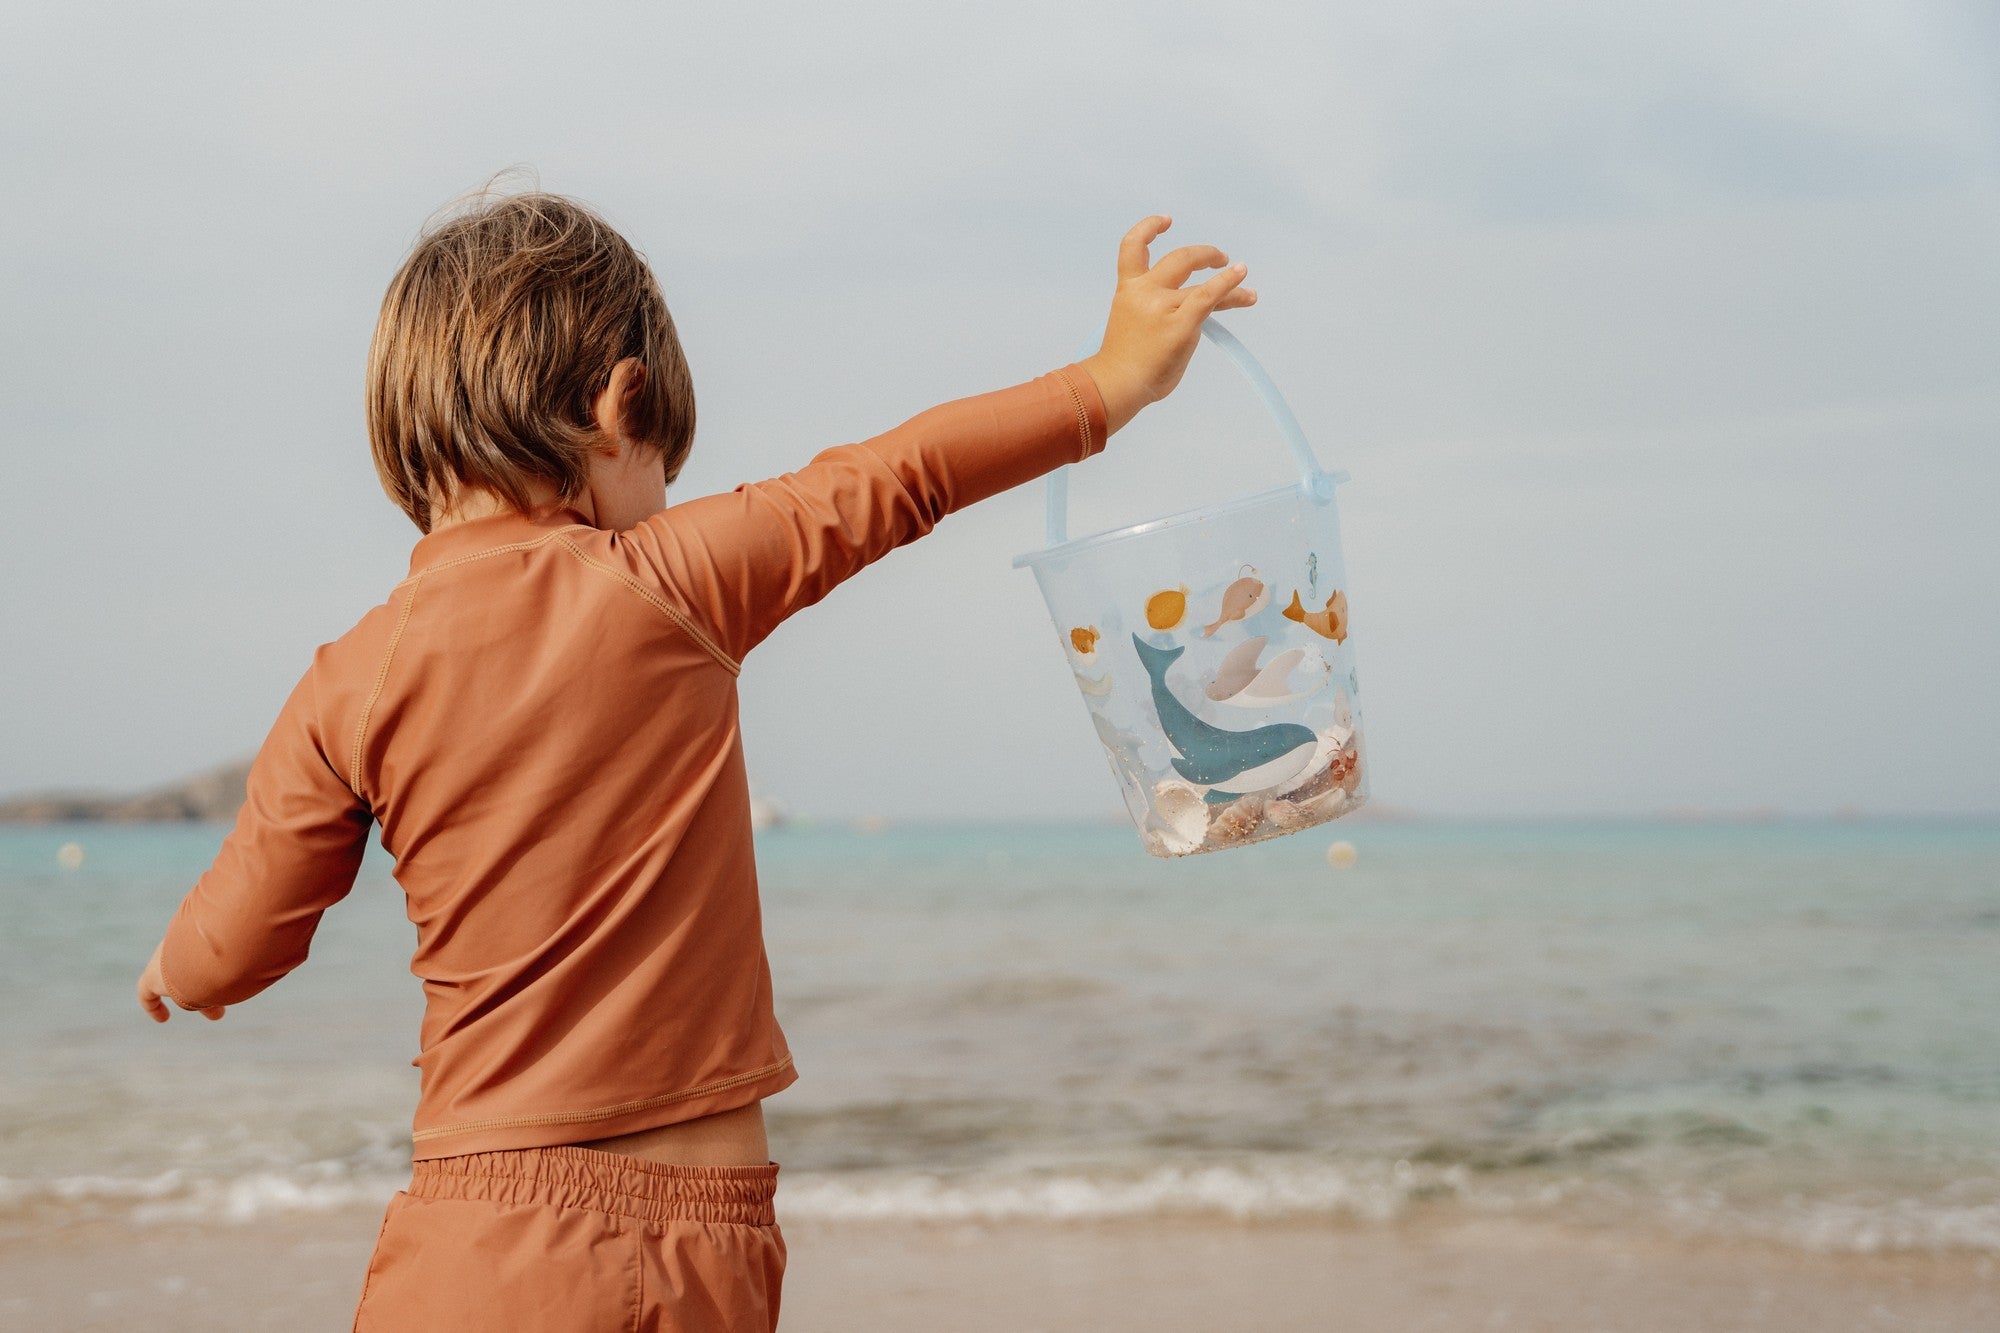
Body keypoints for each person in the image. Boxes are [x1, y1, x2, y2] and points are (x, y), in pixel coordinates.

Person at [134, 185, 1256, 1331]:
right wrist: (1110, 381)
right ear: (621, 405)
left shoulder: (349, 679)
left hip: (477, 1239)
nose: (663, 501)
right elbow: (897, 479)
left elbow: (240, 937)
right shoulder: (665, 581)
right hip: (704, 1246)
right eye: (665, 464)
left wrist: (175, 972)